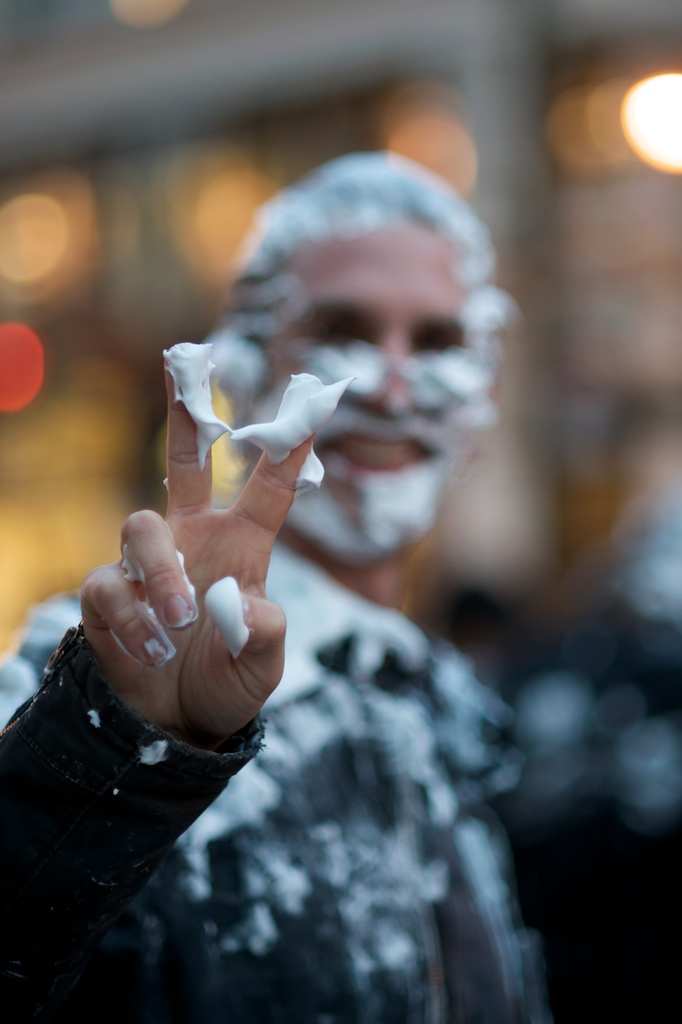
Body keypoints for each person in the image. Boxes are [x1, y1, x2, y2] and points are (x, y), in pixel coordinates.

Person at [0, 153, 549, 1023]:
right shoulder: (103, 663)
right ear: (247, 373)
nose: (394, 386)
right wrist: (129, 743)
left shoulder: (445, 701)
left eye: (436, 342)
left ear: (478, 407)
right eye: (346, 333)